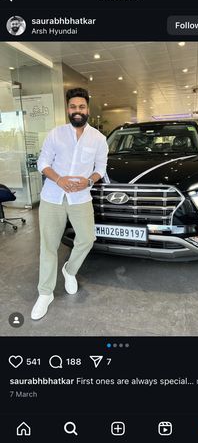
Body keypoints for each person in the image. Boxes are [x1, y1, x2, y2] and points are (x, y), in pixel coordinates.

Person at [31, 87, 109, 320]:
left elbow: (101, 169)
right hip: (52, 196)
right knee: (49, 246)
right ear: (68, 109)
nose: (77, 111)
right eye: (73, 107)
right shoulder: (55, 134)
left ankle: (69, 270)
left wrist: (88, 181)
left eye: (81, 107)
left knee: (87, 238)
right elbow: (42, 162)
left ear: (88, 109)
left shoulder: (98, 138)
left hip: (81, 198)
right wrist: (59, 179)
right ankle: (45, 293)